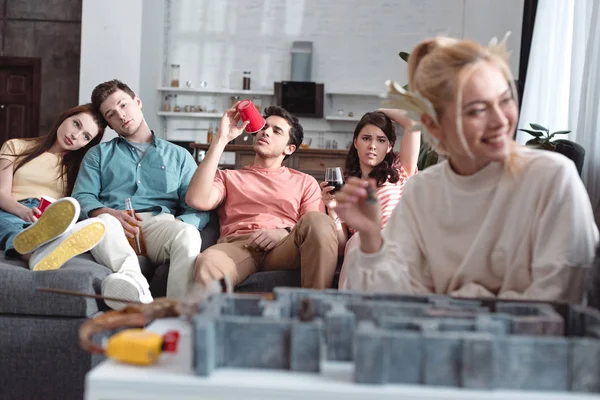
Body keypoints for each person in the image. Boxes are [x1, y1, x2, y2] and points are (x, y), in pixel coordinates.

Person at [334, 35, 599, 302]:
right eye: (476, 110)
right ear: (435, 127)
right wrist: (369, 237)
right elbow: (390, 297)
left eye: (505, 100)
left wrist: (458, 298)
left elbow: (559, 297)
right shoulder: (422, 191)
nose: (500, 121)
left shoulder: (552, 179)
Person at [72, 79, 210, 309]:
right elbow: (82, 196)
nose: (121, 116)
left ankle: (177, 314)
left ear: (137, 101)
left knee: (188, 234)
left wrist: (177, 224)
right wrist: (102, 211)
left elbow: (196, 207)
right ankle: (139, 290)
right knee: (101, 223)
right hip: (113, 227)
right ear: (110, 125)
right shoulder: (98, 155)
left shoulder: (180, 156)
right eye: (111, 115)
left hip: (160, 225)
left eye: (123, 105)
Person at [186, 105, 338, 289]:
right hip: (239, 246)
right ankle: (216, 316)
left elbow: (315, 226)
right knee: (208, 262)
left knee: (319, 221)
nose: (266, 132)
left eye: (276, 131)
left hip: (285, 246)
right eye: (264, 127)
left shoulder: (304, 182)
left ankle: (316, 311)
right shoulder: (229, 177)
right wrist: (221, 140)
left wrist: (284, 232)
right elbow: (196, 199)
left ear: (289, 148)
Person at [321, 109, 420, 288]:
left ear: (389, 147)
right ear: (356, 142)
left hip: (398, 243)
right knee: (358, 240)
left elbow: (413, 121)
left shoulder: (400, 169)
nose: (373, 145)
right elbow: (343, 247)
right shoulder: (346, 185)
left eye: (381, 140)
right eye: (366, 138)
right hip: (363, 249)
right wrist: (332, 208)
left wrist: (377, 111)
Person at [0, 104, 107, 270]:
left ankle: (43, 242)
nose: (75, 135)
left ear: (87, 144)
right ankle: (33, 251)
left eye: (86, 137)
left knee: (45, 225)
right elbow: (1, 193)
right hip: (10, 209)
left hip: (48, 217)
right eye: (76, 124)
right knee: (6, 222)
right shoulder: (15, 146)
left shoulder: (79, 170)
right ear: (65, 117)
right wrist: (24, 211)